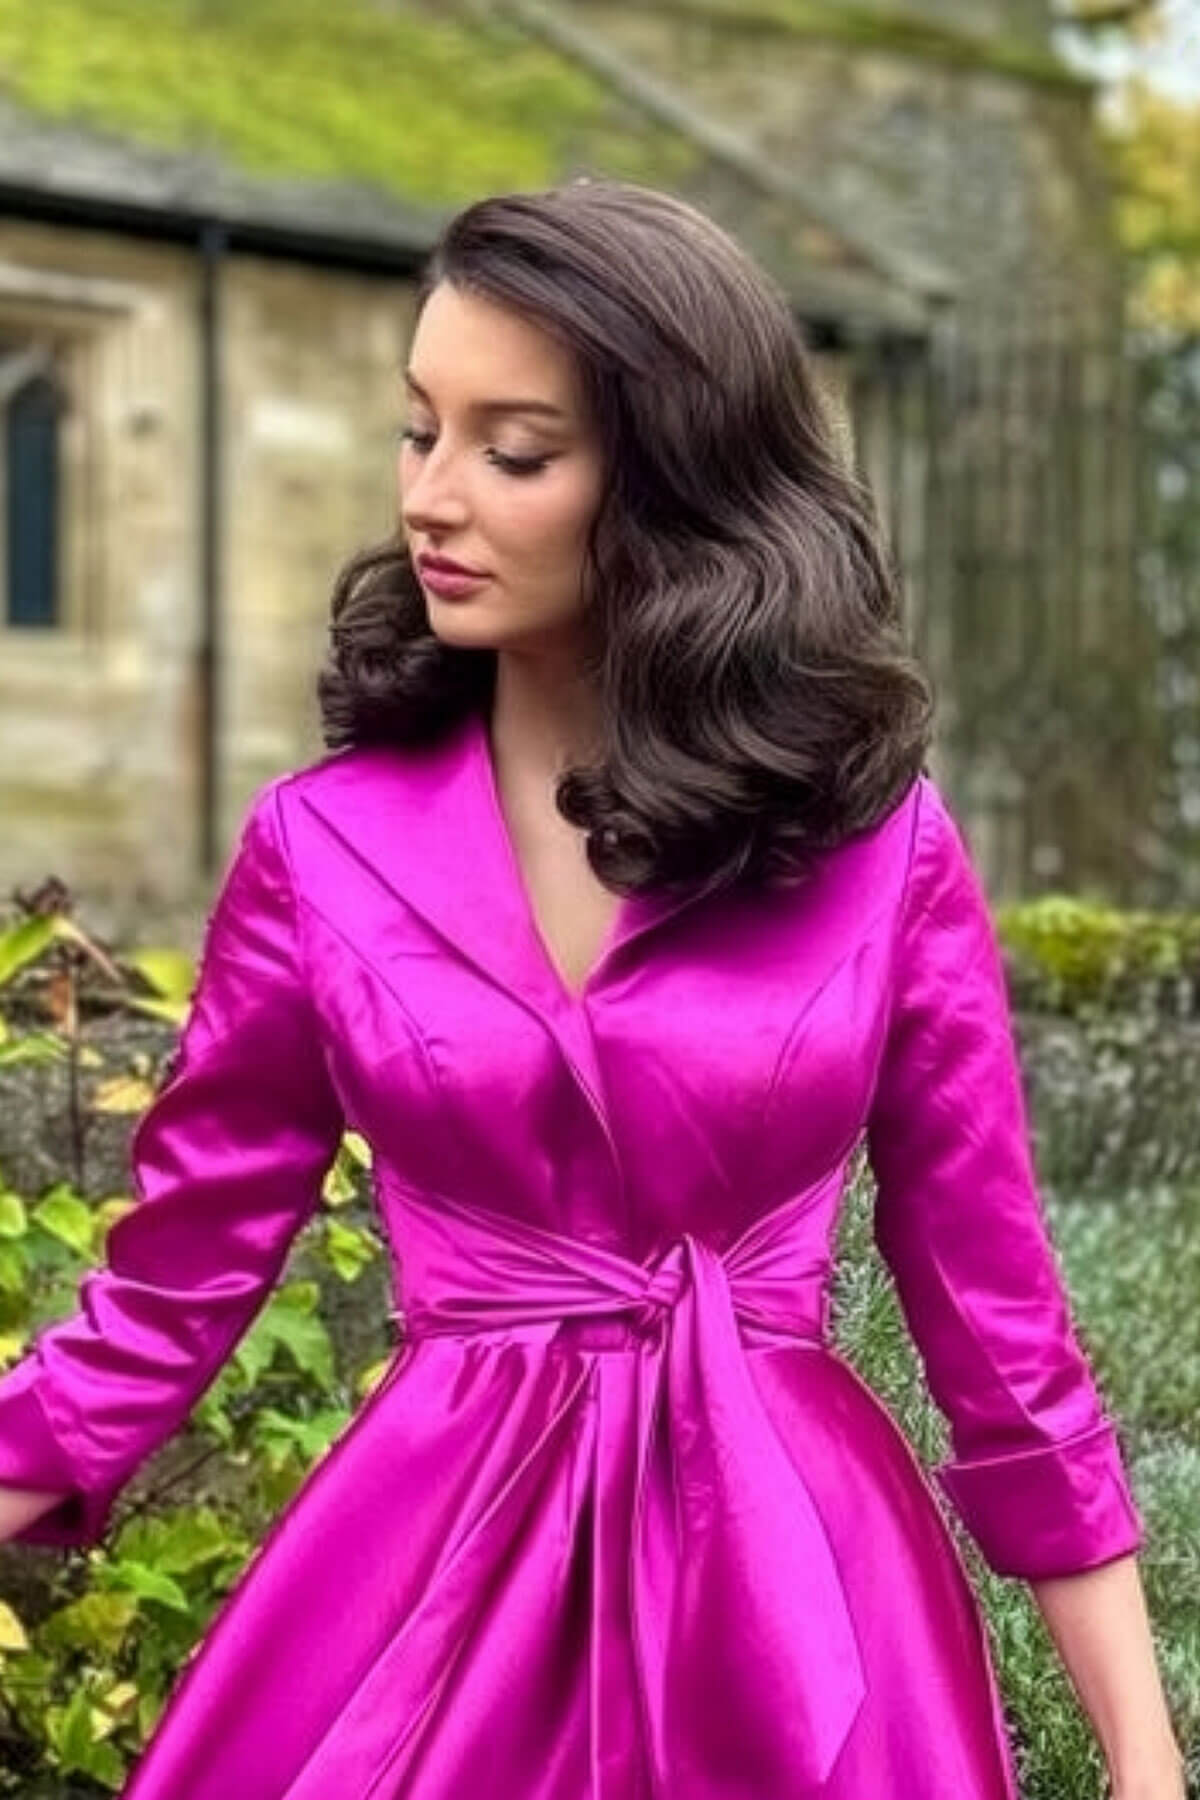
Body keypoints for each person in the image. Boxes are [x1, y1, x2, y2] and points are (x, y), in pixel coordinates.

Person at [0, 178, 1184, 1800]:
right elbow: (167, 1288)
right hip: (423, 1575)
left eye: (514, 451)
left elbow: (994, 1317)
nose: (431, 496)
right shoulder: (319, 849)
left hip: (796, 1591)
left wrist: (1144, 1756)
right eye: (419, 431)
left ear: (674, 486)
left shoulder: (876, 850)